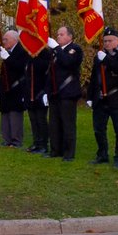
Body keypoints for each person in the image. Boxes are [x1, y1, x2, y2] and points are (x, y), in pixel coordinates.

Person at [86, 28, 118, 169]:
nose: (106, 43)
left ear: (117, 41)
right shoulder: (99, 56)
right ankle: (102, 154)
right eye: (105, 41)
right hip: (100, 98)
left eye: (110, 40)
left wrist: (106, 60)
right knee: (98, 129)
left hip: (116, 98)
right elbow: (94, 78)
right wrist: (90, 96)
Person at [46, 26, 83, 162]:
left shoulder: (75, 49)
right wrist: (47, 92)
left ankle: (68, 153)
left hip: (68, 92)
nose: (58, 36)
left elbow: (68, 62)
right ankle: (55, 150)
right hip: (54, 93)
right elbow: (50, 73)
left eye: (61, 34)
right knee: (54, 123)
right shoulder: (55, 51)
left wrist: (56, 48)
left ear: (70, 36)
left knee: (68, 124)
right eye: (57, 34)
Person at [0, 30, 28, 148]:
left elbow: (21, 67)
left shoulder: (21, 51)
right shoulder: (6, 52)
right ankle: (6, 138)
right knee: (4, 113)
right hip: (5, 88)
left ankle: (16, 140)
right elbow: (3, 73)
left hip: (17, 88)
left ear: (15, 39)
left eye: (6, 39)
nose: (4, 41)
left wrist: (8, 58)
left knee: (15, 114)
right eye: (3, 39)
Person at [25, 45, 52, 154]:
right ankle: (36, 142)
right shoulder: (29, 53)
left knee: (41, 119)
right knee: (33, 118)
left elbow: (44, 68)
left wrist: (35, 56)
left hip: (40, 90)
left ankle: (43, 144)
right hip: (29, 91)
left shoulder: (45, 53)